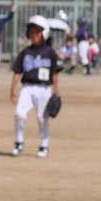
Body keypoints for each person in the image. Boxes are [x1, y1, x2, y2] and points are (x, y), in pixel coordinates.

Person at [10, 15, 60, 159]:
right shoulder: (25, 52)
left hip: (44, 88)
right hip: (27, 87)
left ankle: (44, 145)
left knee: (41, 118)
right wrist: (13, 89)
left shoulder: (50, 52)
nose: (33, 35)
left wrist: (56, 92)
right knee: (19, 113)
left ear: (44, 33)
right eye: (31, 32)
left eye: (36, 32)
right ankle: (19, 142)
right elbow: (17, 72)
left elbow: (55, 73)